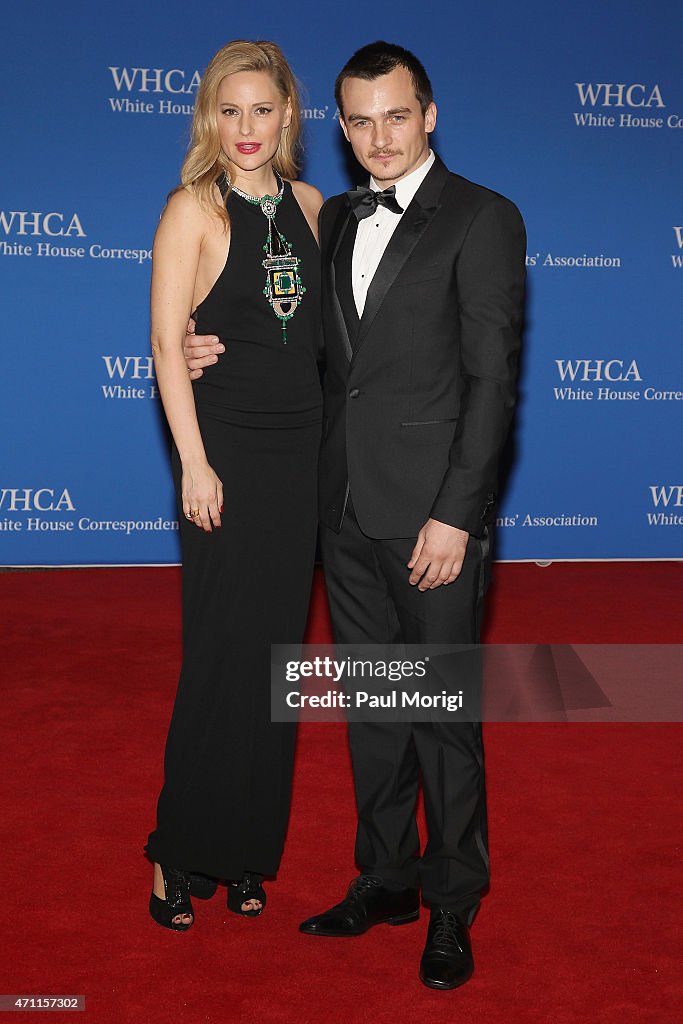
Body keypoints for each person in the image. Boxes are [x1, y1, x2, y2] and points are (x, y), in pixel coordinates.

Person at [185, 40, 525, 990]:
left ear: (430, 114)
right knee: (375, 709)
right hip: (339, 505)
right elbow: (280, 326)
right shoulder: (327, 217)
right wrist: (190, 337)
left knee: (441, 717)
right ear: (337, 124)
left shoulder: (483, 218)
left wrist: (456, 514)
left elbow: (493, 381)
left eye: (396, 116)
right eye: (360, 119)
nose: (378, 137)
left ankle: (453, 904)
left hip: (432, 519)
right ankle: (385, 879)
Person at [145, 39, 323, 930]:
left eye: (262, 109)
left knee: (274, 669)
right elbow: (165, 347)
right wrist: (195, 462)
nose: (246, 128)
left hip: (302, 462)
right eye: (229, 110)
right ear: (209, 118)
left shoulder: (313, 206)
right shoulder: (192, 209)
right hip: (228, 458)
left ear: (288, 114)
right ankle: (178, 854)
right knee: (220, 659)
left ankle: (248, 852)